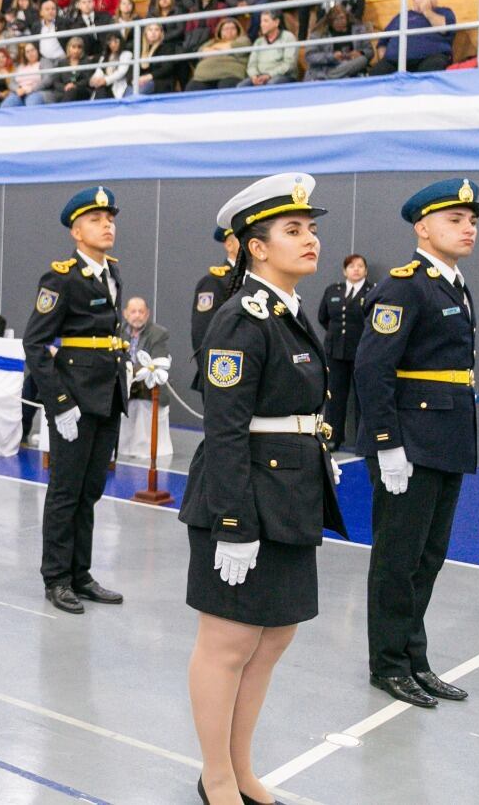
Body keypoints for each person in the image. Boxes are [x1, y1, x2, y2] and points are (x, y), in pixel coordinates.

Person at [181, 172, 346, 805]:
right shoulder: (240, 319)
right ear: (255, 245)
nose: (310, 240)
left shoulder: (287, 311)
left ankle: (241, 768)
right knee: (227, 642)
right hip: (244, 495)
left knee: (273, 636)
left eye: (312, 229)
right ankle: (216, 776)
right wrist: (231, 522)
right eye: (293, 230)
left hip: (290, 491)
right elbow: (223, 431)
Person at [355, 178, 479, 708]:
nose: (468, 227)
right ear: (423, 227)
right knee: (397, 559)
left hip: (446, 438)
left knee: (428, 557)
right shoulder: (405, 285)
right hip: (410, 442)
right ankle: (388, 664)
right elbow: (372, 366)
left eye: (472, 220)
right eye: (455, 219)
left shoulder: (453, 284)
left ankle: (414, 658)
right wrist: (386, 443)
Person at [25, 187, 128, 614]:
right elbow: (36, 344)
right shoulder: (61, 277)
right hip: (76, 399)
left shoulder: (112, 272)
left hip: (108, 395)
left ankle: (81, 573)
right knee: (65, 490)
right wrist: (60, 402)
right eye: (95, 219)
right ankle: (57, 577)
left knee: (90, 490)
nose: (107, 225)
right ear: (76, 230)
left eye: (110, 218)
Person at [317, 254, 372, 451]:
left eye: (360, 266)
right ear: (344, 271)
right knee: (335, 396)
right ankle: (333, 436)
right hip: (336, 351)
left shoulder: (372, 291)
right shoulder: (334, 290)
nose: (355, 269)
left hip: (361, 351)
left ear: (365, 270)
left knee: (361, 397)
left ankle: (361, 440)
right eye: (351, 266)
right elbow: (323, 317)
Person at [117, 296, 173, 460]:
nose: (137, 315)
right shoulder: (118, 333)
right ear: (125, 314)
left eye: (141, 311)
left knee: (141, 397)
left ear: (147, 314)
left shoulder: (158, 334)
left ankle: (143, 448)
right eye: (133, 311)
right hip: (124, 385)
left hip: (147, 387)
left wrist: (130, 373)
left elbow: (157, 363)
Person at [190, 227, 240, 393]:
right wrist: (214, 376)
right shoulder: (214, 282)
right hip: (224, 375)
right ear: (229, 245)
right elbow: (202, 333)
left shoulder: (256, 281)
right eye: (243, 238)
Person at [379, 0, 456, 73]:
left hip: (431, 58)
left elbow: (444, 29)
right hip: (395, 62)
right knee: (378, 72)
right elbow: (382, 43)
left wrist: (427, 11)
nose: (427, 0)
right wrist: (386, 59)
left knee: (432, 67)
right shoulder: (401, 16)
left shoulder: (444, 12)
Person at [303, 7, 373, 82]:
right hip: (328, 67)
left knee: (363, 59)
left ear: (347, 17)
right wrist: (332, 57)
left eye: (342, 18)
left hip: (350, 65)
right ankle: (335, 76)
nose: (339, 21)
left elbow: (370, 51)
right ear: (330, 21)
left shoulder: (359, 30)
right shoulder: (318, 33)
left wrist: (360, 53)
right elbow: (310, 56)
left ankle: (330, 77)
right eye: (336, 19)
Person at [185, 17, 252, 90]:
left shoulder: (243, 40)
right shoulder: (211, 42)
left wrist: (214, 50)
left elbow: (234, 47)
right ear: (220, 32)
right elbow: (202, 52)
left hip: (230, 74)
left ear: (238, 31)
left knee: (227, 86)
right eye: (225, 29)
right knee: (192, 88)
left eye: (233, 28)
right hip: (203, 76)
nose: (229, 31)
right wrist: (226, 50)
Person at [238, 10, 299, 87]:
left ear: (276, 22)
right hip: (260, 76)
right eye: (261, 21)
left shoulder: (288, 37)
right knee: (241, 86)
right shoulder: (258, 41)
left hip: (283, 76)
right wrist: (254, 76)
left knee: (271, 84)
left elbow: (289, 64)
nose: (261, 24)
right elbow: (251, 64)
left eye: (265, 21)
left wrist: (269, 75)